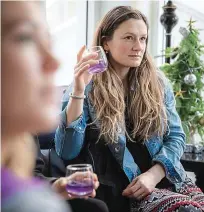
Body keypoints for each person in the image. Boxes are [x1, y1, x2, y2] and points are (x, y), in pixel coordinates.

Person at [55, 6, 204, 212]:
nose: (138, 46)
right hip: (125, 189)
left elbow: (176, 136)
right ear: (106, 43)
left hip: (165, 177)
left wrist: (154, 174)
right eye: (128, 38)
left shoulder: (157, 82)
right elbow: (67, 151)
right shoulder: (87, 86)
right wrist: (79, 89)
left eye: (143, 39)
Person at [1, 1, 99, 212]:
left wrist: (57, 185)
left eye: (47, 41)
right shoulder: (29, 204)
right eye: (25, 37)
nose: (54, 61)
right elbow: (67, 149)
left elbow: (28, 174)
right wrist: (79, 91)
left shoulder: (19, 142)